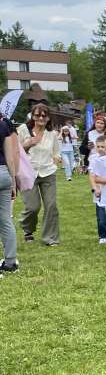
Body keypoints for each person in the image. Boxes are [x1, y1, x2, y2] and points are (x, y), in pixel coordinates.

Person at [18, 103, 61, 246]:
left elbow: (56, 151)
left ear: (48, 118)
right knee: (33, 207)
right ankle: (27, 228)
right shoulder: (23, 130)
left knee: (51, 206)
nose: (41, 118)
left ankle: (50, 238)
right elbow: (14, 150)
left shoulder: (52, 134)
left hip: (48, 172)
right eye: (37, 115)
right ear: (32, 116)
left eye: (44, 115)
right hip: (27, 172)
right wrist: (28, 143)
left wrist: (57, 157)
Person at [0, 112, 19, 274]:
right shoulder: (3, 125)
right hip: (3, 174)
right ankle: (10, 262)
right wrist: (13, 182)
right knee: (5, 220)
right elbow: (10, 157)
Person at [89, 136, 106, 245]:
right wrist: (95, 188)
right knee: (101, 216)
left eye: (103, 146)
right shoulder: (94, 158)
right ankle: (102, 235)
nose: (101, 149)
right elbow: (92, 175)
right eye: (98, 146)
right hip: (99, 191)